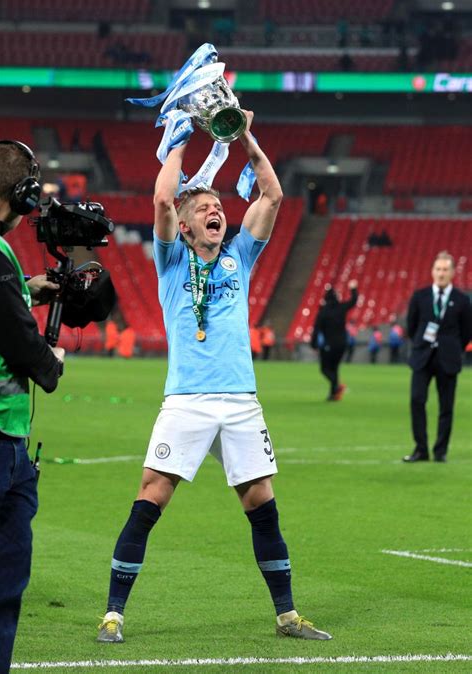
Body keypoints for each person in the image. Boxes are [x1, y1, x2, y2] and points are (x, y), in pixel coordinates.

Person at [97, 111, 332, 643]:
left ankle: (287, 615)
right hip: (186, 401)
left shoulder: (239, 257)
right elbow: (161, 200)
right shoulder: (171, 261)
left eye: (219, 207)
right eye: (203, 208)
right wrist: (176, 142)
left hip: (241, 402)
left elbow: (271, 196)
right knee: (150, 497)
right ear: (184, 226)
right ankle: (113, 612)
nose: (215, 212)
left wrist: (242, 135)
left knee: (262, 505)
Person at [0, 139, 65, 674]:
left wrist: (28, 287)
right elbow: (23, 346)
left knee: (7, 575)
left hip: (11, 441)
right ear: (20, 197)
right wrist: (53, 359)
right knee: (4, 577)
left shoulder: (5, 262)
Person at [403, 251, 472, 463]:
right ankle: (421, 449)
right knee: (416, 400)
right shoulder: (420, 296)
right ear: (432, 271)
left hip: (448, 358)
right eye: (438, 269)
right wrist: (421, 344)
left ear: (452, 272)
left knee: (446, 406)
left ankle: (440, 451)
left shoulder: (462, 300)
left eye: (445, 269)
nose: (441, 273)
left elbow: (467, 331)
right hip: (423, 356)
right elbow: (411, 326)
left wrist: (452, 348)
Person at [311, 280, 358, 401]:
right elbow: (353, 301)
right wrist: (353, 289)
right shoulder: (341, 308)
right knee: (335, 368)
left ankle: (337, 386)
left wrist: (314, 345)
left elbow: (316, 329)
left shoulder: (323, 312)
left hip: (329, 345)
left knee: (325, 369)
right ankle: (333, 394)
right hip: (342, 343)